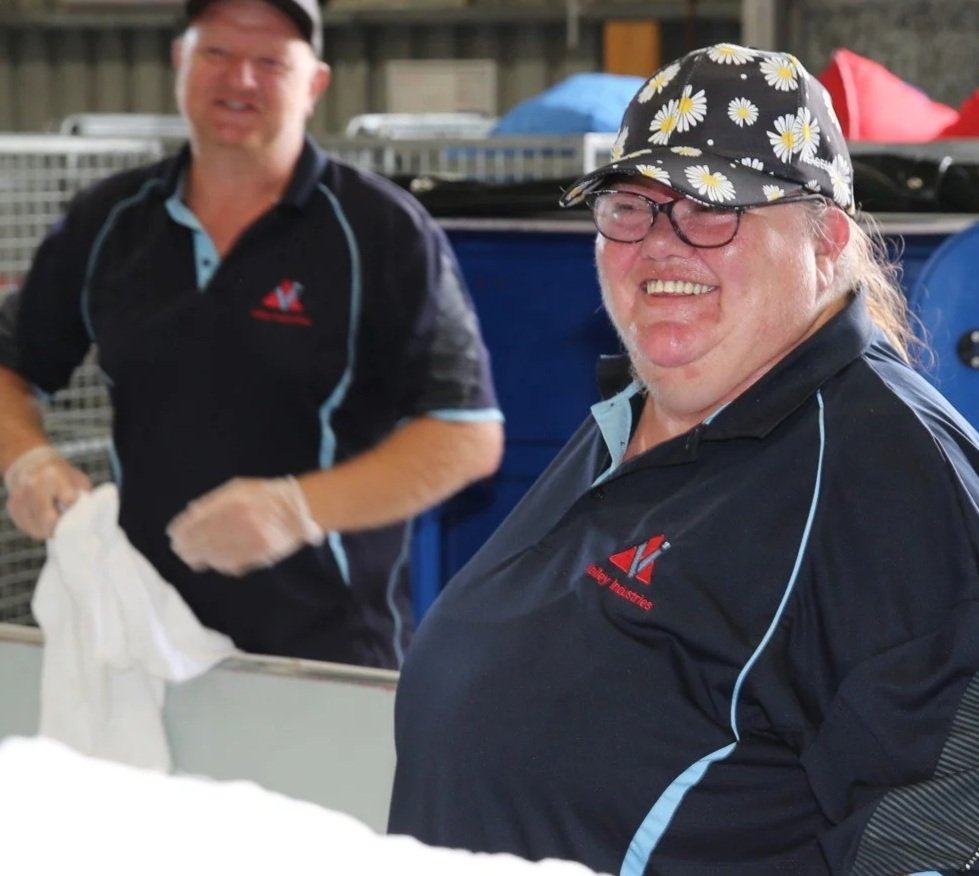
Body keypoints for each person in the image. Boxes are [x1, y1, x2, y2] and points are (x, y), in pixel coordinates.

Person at [387, 43, 979, 875]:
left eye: (713, 207)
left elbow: (948, 840)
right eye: (631, 206)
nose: (661, 245)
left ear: (825, 237)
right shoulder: (635, 415)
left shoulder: (889, 477)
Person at [0, 0, 503, 669]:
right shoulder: (108, 223)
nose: (240, 80)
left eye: (270, 61)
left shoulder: (381, 233)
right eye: (217, 53)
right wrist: (27, 459)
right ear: (180, 61)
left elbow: (466, 434)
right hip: (139, 639)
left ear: (314, 84)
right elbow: (11, 366)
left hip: (325, 656)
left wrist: (296, 509)